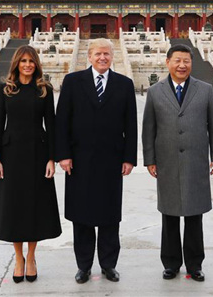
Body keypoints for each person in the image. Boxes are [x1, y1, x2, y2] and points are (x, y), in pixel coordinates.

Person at [55, 38, 137, 284]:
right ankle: (83, 266)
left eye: (107, 54)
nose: (103, 58)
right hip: (79, 161)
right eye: (98, 54)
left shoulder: (124, 84)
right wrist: (63, 155)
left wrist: (129, 158)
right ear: (89, 57)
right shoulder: (73, 82)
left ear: (112, 57)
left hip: (111, 160)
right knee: (82, 216)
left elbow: (130, 125)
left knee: (110, 216)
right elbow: (62, 122)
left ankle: (109, 265)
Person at [142, 44, 213, 282]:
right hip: (166, 161)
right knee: (169, 215)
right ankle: (171, 263)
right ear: (167, 62)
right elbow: (149, 128)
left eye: (186, 61)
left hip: (196, 160)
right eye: (177, 60)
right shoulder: (155, 92)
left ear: (191, 63)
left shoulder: (205, 89)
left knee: (194, 215)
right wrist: (150, 159)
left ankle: (195, 264)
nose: (182, 65)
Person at [0, 45, 62, 283]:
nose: (28, 65)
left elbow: (51, 125)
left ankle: (31, 257)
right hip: (11, 156)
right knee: (13, 208)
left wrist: (52, 157)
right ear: (17, 64)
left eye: (31, 61)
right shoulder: (6, 89)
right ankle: (18, 257)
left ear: (36, 64)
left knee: (34, 208)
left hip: (37, 155)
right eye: (23, 61)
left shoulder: (44, 89)